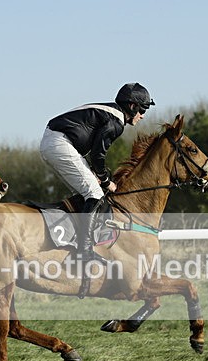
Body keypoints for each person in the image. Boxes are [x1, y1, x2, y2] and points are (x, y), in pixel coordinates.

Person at [40, 82, 154, 263]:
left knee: (85, 194)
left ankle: (70, 241)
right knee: (94, 193)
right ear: (132, 106)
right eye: (143, 110)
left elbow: (93, 152)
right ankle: (84, 251)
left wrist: (97, 173)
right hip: (60, 143)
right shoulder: (116, 122)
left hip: (57, 142)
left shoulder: (111, 113)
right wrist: (106, 180)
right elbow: (98, 155)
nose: (143, 116)